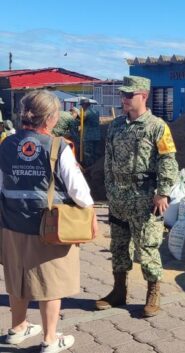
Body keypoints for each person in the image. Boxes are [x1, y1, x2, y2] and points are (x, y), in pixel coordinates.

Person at [0, 90, 97, 353]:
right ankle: (50, 340)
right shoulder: (57, 146)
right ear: (51, 117)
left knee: (17, 276)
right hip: (48, 227)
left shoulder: (5, 144)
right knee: (50, 283)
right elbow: (79, 191)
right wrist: (90, 214)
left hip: (10, 224)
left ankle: (18, 328)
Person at [96, 76, 179, 317]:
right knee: (118, 245)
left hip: (145, 198)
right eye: (122, 94)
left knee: (148, 247)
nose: (123, 99)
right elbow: (109, 159)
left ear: (144, 96)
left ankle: (153, 293)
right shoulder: (116, 126)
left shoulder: (157, 126)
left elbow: (168, 161)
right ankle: (118, 291)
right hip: (119, 197)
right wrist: (109, 189)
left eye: (129, 95)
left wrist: (163, 192)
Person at [79, 98, 101, 167]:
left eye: (82, 105)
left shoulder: (86, 112)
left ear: (85, 105)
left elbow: (80, 119)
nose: (82, 107)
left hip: (89, 136)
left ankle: (89, 168)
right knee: (95, 153)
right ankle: (96, 167)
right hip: (97, 135)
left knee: (88, 153)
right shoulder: (96, 111)